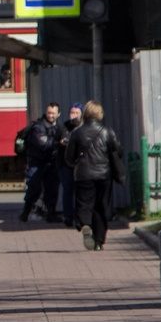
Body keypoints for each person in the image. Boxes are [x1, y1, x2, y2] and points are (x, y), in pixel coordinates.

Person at [63, 98, 125, 249]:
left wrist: (76, 164)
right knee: (101, 207)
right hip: (104, 175)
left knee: (84, 204)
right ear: (100, 114)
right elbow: (118, 152)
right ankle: (99, 241)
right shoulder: (107, 132)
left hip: (83, 175)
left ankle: (85, 224)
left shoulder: (77, 133)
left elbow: (69, 158)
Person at [15, 102, 63, 224]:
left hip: (51, 162)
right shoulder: (38, 127)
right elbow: (44, 143)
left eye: (53, 113)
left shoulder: (59, 128)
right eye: (48, 112)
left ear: (58, 114)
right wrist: (59, 142)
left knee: (52, 189)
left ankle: (51, 214)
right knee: (34, 187)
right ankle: (25, 213)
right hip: (37, 162)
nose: (50, 115)